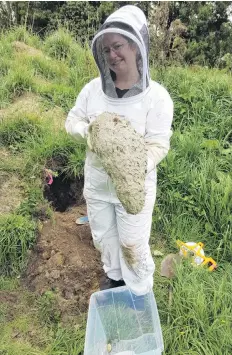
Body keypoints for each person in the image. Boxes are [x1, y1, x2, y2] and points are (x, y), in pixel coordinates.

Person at [65, 5, 173, 296]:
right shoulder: (92, 90)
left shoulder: (158, 98)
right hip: (99, 186)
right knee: (105, 240)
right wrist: (89, 132)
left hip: (134, 190)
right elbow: (72, 119)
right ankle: (114, 280)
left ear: (138, 46)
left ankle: (138, 292)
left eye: (119, 46)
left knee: (132, 244)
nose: (113, 55)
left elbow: (159, 142)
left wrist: (136, 163)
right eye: (107, 48)